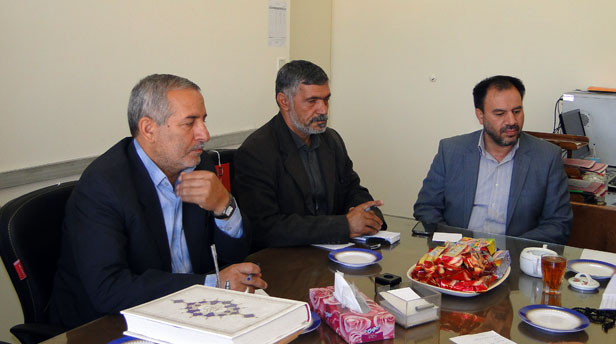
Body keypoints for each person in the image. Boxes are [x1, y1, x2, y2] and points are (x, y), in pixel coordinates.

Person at [50, 74, 266, 329]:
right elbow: (109, 289)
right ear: (149, 129)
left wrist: (224, 206)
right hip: (107, 326)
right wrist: (211, 283)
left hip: (191, 313)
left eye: (203, 120)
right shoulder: (103, 186)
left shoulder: (198, 165)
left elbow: (234, 258)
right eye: (190, 123)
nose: (205, 134)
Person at [233, 60, 385, 250]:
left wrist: (368, 214)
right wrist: (343, 225)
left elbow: (352, 189)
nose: (323, 110)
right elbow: (264, 228)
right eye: (312, 101)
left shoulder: (331, 139)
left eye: (326, 99)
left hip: (333, 253)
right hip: (284, 258)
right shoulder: (256, 152)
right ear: (284, 101)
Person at [413, 75, 572, 244]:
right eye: (500, 113)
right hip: (457, 251)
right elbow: (427, 207)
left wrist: (510, 249)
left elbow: (558, 224)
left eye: (517, 111)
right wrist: (456, 246)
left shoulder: (547, 157)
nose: (512, 121)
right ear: (480, 116)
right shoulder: (451, 151)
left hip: (514, 253)